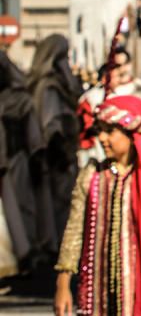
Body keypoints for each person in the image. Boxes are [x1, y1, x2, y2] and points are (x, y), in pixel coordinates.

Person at [53, 95, 141, 316]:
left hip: (138, 290)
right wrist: (62, 284)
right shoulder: (92, 175)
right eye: (100, 130)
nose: (102, 138)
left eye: (110, 131)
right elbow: (74, 231)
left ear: (132, 135)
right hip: (96, 291)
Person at [0, 50, 52, 270]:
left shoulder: (20, 98)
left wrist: (36, 152)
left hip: (16, 157)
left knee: (21, 205)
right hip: (5, 157)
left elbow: (32, 129)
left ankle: (27, 251)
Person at [29, 35, 82, 241]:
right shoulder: (49, 87)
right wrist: (59, 147)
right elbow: (50, 123)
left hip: (65, 150)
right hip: (56, 153)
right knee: (57, 202)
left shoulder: (58, 85)